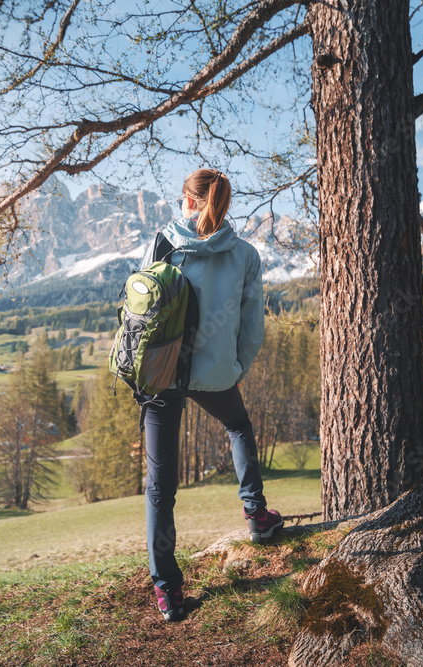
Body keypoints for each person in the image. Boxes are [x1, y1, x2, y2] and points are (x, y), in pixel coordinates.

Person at [140, 168, 283, 622]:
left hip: (162, 376)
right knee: (238, 425)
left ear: (188, 199)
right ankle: (257, 516)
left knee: (160, 486)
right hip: (218, 374)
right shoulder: (243, 254)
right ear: (222, 203)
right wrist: (236, 367)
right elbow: (253, 326)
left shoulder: (164, 242)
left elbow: (142, 308)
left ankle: (167, 590)